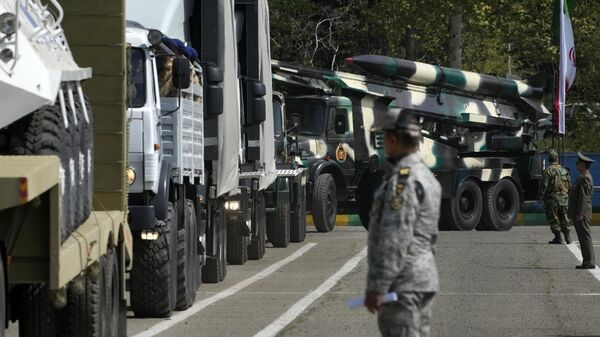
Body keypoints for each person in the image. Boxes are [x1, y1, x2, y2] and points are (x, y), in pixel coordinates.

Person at [364, 108, 441, 337]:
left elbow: (395, 237)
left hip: (403, 284)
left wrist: (377, 286)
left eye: (384, 138)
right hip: (421, 278)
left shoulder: (403, 181)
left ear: (393, 139)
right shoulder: (426, 176)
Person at [538, 149, 571, 244]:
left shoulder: (547, 171)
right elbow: (569, 185)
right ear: (557, 159)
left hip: (552, 199)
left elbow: (544, 186)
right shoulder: (564, 170)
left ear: (549, 159)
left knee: (554, 218)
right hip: (564, 199)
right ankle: (568, 238)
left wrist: (540, 197)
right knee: (564, 217)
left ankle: (558, 238)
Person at [569, 152, 596, 269]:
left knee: (585, 237)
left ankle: (589, 262)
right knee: (583, 237)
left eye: (578, 163)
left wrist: (580, 213)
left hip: (582, 213)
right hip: (582, 212)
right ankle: (587, 261)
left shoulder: (585, 178)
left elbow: (584, 197)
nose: (576, 165)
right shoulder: (584, 177)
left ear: (583, 165)